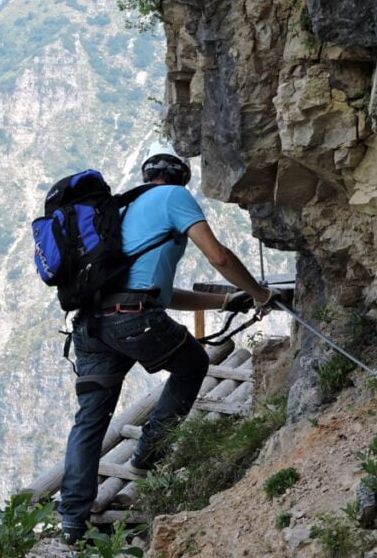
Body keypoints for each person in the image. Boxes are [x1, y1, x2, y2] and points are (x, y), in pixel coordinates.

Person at [58, 141, 279, 544]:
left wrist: (226, 301)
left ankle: (71, 520)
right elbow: (220, 258)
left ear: (146, 177)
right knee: (193, 364)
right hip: (133, 320)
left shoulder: (118, 210)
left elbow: (158, 293)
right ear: (180, 180)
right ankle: (149, 453)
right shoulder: (174, 197)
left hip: (91, 325)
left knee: (90, 421)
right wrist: (260, 295)